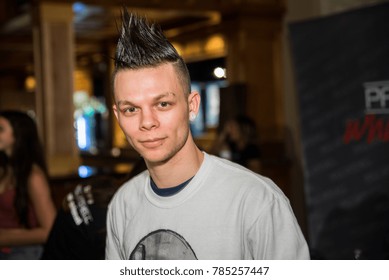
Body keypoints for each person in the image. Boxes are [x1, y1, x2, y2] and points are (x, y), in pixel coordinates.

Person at [105, 9, 310, 260]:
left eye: (163, 104)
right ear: (118, 117)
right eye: (131, 109)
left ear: (192, 106)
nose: (147, 122)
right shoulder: (122, 205)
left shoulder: (256, 201)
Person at [0, 110, 56, 259]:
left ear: (18, 133)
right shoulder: (6, 168)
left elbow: (49, 230)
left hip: (23, 253)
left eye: (0, 129)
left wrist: (4, 237)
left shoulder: (33, 176)